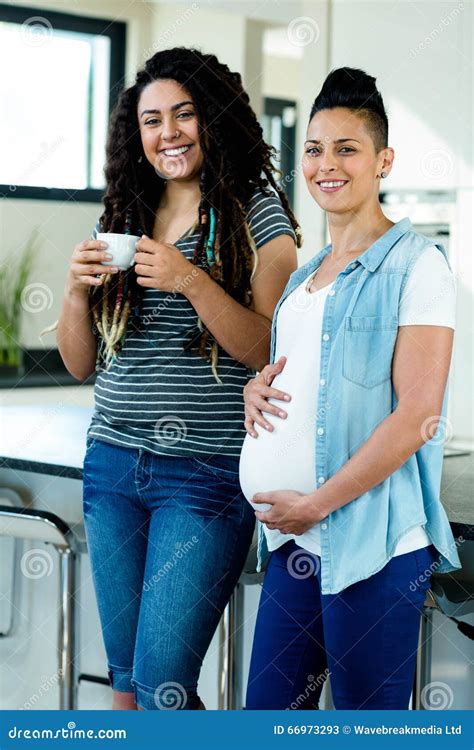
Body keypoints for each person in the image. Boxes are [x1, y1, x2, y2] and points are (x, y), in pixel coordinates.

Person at [56, 47, 299, 710]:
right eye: (152, 120)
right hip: (112, 465)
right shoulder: (124, 215)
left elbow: (268, 348)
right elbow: (81, 365)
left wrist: (190, 279)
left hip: (204, 473)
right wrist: (76, 294)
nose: (168, 133)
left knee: (165, 687)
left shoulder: (256, 215)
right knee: (128, 688)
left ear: (213, 118)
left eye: (184, 115)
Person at [240, 67, 461, 710]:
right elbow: (305, 382)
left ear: (382, 160)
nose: (325, 164)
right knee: (270, 719)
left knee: (367, 726)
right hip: (294, 544)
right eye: (313, 149)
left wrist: (316, 504)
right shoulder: (305, 277)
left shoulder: (418, 265)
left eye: (347, 148)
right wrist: (258, 390)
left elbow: (417, 414)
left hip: (371, 543)